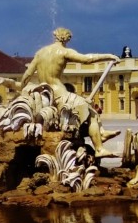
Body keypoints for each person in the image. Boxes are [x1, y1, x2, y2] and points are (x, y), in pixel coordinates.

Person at [17, 27, 120, 157]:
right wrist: (108, 56)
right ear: (67, 38)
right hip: (59, 92)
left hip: (44, 93)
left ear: (55, 36)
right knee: (91, 112)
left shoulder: (40, 52)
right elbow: (87, 59)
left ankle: (102, 133)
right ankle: (99, 148)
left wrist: (22, 90)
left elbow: (27, 74)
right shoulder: (64, 52)